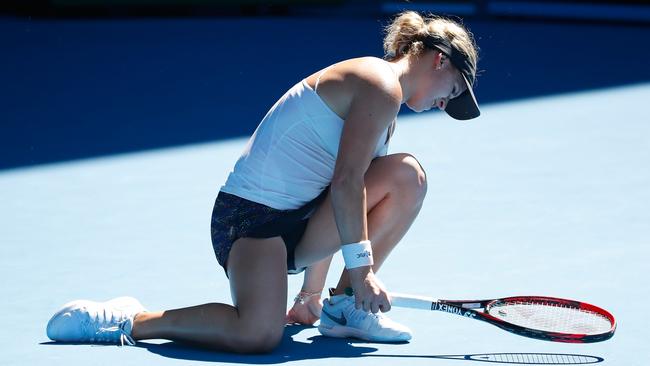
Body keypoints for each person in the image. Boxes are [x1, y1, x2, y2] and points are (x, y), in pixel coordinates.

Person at [46, 11, 480, 353]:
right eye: (456, 90)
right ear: (439, 59)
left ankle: (343, 309)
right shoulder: (378, 84)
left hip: (303, 219)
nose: (448, 104)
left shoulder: (386, 108)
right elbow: (347, 186)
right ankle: (131, 319)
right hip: (249, 220)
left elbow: (342, 194)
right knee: (257, 335)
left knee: (405, 175)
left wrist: (311, 294)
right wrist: (364, 271)